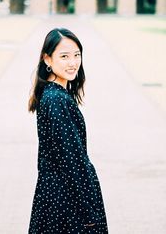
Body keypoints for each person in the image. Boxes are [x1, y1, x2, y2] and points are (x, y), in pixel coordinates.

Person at [28, 28, 108, 233]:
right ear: (47, 59)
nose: (73, 63)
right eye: (64, 56)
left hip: (56, 197)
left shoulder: (53, 94)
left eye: (77, 55)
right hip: (65, 203)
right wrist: (90, 211)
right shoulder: (57, 100)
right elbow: (72, 161)